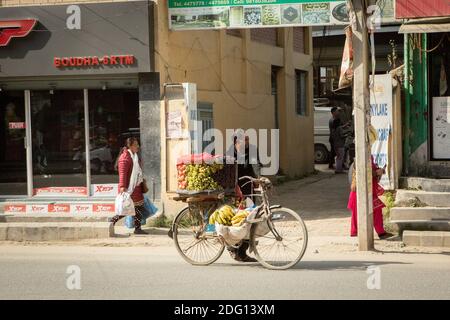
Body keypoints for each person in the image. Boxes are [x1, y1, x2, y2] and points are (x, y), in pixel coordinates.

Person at [347, 126, 393, 240]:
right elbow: (363, 172)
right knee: (359, 211)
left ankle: (377, 232)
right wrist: (377, 171)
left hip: (367, 187)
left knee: (375, 210)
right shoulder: (361, 156)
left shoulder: (368, 155)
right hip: (361, 187)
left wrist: (378, 171)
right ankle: (359, 232)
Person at [226, 134, 260, 262]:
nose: (246, 142)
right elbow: (228, 173)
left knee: (251, 219)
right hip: (235, 190)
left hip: (249, 188)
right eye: (243, 140)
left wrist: (259, 179)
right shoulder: (229, 154)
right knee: (236, 220)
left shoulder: (252, 150)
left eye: (247, 140)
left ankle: (242, 252)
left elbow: (256, 165)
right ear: (236, 142)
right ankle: (232, 247)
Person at [110, 137, 148, 235]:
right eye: (136, 145)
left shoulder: (134, 156)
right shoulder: (125, 158)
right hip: (129, 189)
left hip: (137, 187)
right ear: (130, 146)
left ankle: (138, 228)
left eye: (138, 144)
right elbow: (122, 173)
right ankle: (111, 221)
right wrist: (122, 186)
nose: (138, 146)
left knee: (138, 208)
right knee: (125, 209)